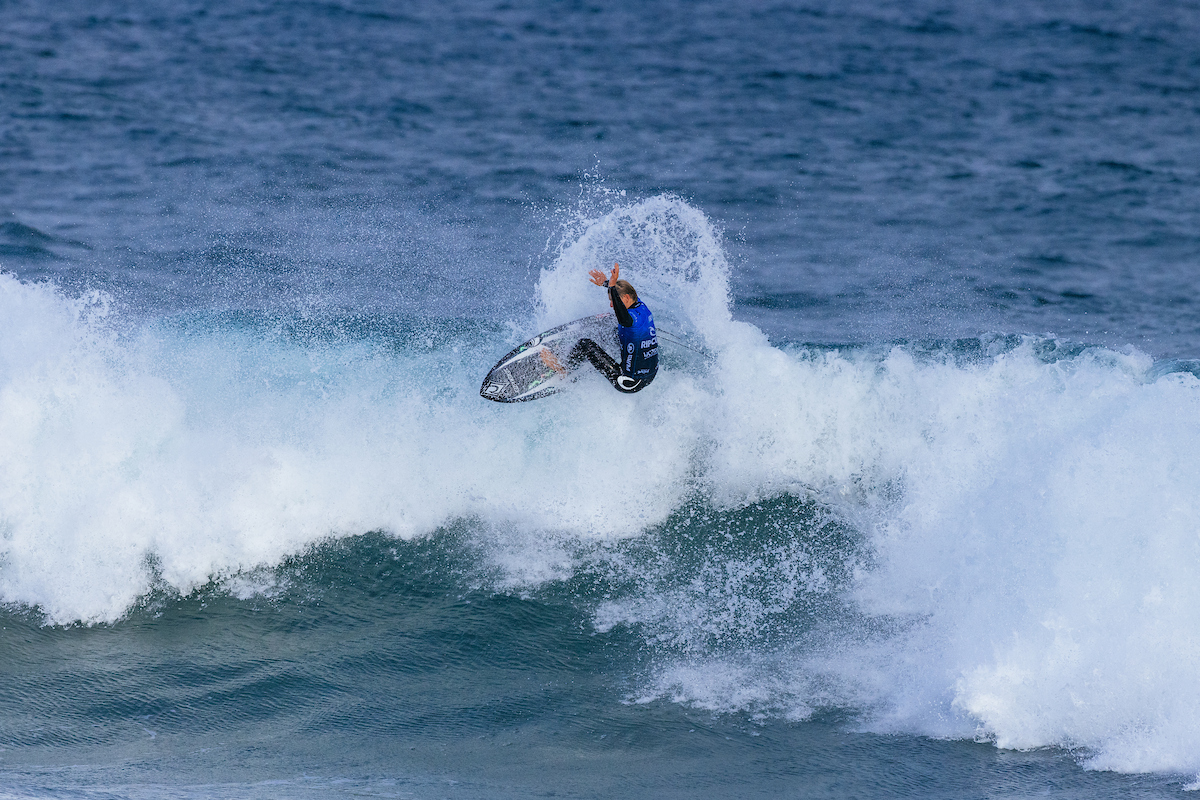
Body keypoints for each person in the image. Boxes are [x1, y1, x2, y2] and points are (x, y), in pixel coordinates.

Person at [541, 262, 658, 393]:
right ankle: (596, 358)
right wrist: (606, 283)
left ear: (625, 298)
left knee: (584, 344)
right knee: (614, 331)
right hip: (650, 375)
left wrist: (612, 286)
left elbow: (623, 317)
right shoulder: (641, 305)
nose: (611, 305)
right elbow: (624, 294)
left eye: (613, 301)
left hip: (628, 382)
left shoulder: (630, 320)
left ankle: (563, 370)